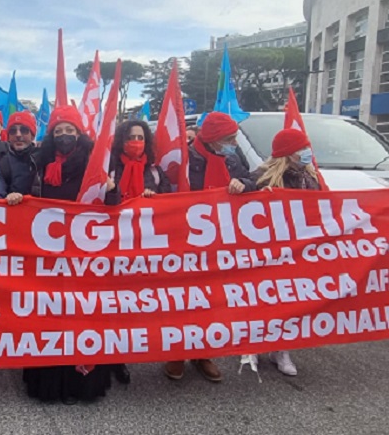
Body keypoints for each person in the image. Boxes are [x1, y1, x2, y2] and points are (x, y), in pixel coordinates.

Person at [24, 105, 111, 404]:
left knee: (82, 317)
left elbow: (112, 204)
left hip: (83, 258)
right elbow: (27, 198)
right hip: (47, 257)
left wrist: (112, 191)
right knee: (49, 318)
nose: (64, 136)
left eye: (69, 131)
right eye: (58, 132)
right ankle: (49, 385)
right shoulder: (39, 161)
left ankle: (80, 384)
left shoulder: (93, 164)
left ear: (79, 135)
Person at [164, 111, 255, 383]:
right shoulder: (184, 158)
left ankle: (203, 354)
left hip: (220, 241)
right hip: (185, 240)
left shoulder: (232, 158)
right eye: (229, 139)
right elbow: (169, 193)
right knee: (183, 299)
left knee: (211, 299)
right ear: (214, 139)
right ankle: (177, 353)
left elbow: (252, 180)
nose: (234, 144)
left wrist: (244, 185)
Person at [103, 120, 172, 385]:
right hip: (113, 246)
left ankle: (125, 351)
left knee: (132, 305)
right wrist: (113, 193)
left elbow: (170, 199)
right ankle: (113, 359)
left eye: (140, 137)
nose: (136, 141)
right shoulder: (109, 168)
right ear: (121, 140)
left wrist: (154, 196)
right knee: (112, 305)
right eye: (130, 136)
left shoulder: (155, 172)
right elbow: (99, 203)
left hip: (144, 247)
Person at [250, 128, 321, 376]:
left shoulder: (311, 177)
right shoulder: (263, 177)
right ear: (289, 153)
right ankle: (254, 347)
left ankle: (281, 350)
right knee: (265, 299)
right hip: (271, 250)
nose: (306, 153)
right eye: (302, 148)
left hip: (300, 250)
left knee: (289, 302)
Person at [0, 111, 37, 203]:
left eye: (24, 130)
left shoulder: (45, 160)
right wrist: (7, 198)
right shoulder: (2, 166)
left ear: (32, 135)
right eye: (13, 131)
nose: (18, 135)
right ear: (8, 136)